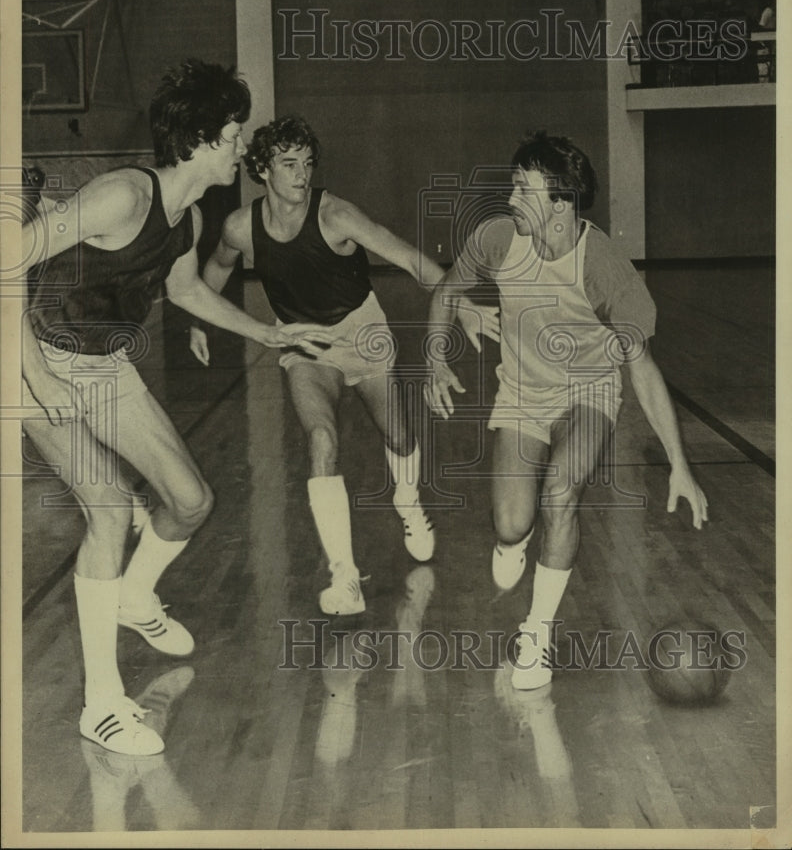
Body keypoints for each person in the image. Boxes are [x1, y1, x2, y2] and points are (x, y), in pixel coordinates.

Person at [21, 61, 331, 755]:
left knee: (190, 501)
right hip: (28, 356)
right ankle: (101, 704)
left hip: (102, 364)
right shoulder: (120, 197)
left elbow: (186, 292)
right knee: (105, 510)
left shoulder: (185, 218)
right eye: (233, 133)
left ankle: (134, 596)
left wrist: (268, 331)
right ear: (200, 139)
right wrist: (38, 376)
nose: (239, 146)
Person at [426, 130, 708, 690]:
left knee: (561, 493)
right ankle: (514, 541)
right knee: (511, 523)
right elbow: (447, 291)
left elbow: (643, 369)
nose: (510, 199)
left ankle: (537, 635)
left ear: (561, 202)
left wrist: (680, 463)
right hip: (521, 394)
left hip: (588, 391)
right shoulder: (498, 238)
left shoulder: (603, 267)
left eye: (523, 189)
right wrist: (434, 357)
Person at [190, 114, 497, 616]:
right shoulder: (241, 226)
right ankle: (345, 577)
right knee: (321, 440)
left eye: (308, 164)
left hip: (363, 331)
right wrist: (200, 321)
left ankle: (407, 500)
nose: (302, 174)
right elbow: (219, 266)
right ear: (262, 168)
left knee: (398, 436)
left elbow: (411, 260)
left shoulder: (336, 215)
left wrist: (462, 306)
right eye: (290, 164)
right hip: (305, 344)